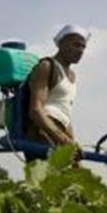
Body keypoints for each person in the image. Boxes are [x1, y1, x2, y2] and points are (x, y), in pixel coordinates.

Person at [25, 24, 89, 161]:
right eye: (76, 45)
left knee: (75, 178)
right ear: (61, 44)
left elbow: (64, 113)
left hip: (61, 133)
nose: (80, 50)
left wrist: (70, 140)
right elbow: (36, 110)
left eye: (83, 47)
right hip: (43, 132)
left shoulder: (72, 76)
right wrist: (61, 139)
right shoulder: (47, 66)